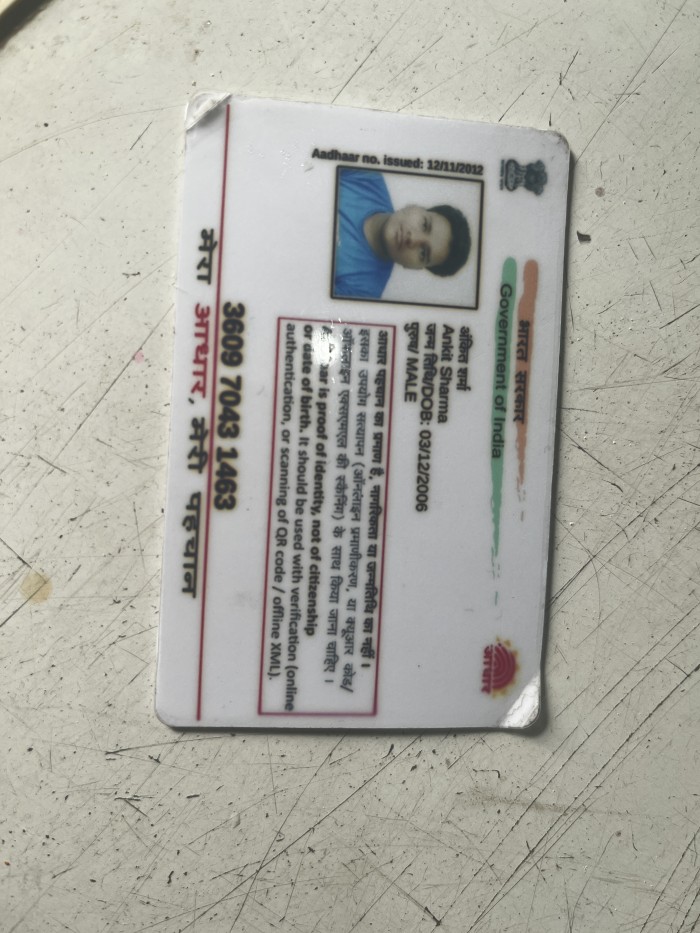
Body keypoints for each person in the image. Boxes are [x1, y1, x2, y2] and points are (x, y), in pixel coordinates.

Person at [333, 168, 471, 300]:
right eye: (424, 224)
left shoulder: (363, 291)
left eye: (423, 253)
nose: (413, 238)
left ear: (414, 268)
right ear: (415, 206)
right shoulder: (367, 175)